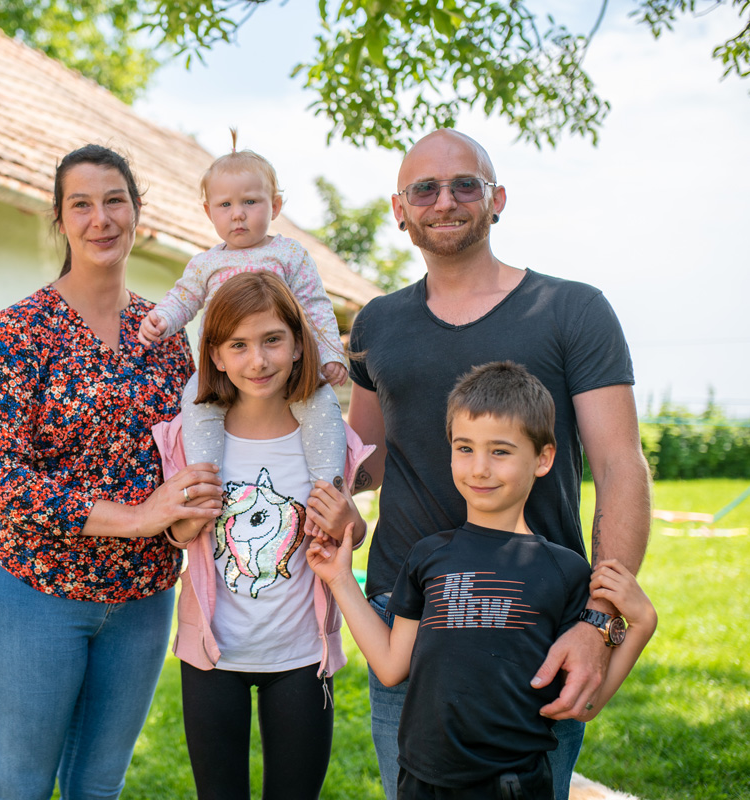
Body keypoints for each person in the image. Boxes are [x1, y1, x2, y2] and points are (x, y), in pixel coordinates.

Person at [346, 129, 652, 800]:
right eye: (423, 188)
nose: (444, 201)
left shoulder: (571, 310)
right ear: (399, 209)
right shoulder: (375, 324)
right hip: (409, 617)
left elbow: (618, 463)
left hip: (536, 625)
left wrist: (598, 621)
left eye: (465, 185)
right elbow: (362, 461)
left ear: (497, 199)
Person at [0, 144, 224, 800]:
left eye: (114, 200)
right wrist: (138, 516)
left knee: (98, 787)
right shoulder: (19, 330)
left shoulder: (165, 336)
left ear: (137, 212)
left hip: (141, 598)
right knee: (18, 785)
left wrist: (182, 515)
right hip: (33, 589)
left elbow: (188, 455)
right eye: (80, 204)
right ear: (59, 221)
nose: (100, 218)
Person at [308, 362, 657, 799]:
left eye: (501, 451)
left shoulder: (565, 571)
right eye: (465, 448)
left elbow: (584, 704)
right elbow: (391, 665)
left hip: (514, 786)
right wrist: (341, 579)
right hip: (421, 781)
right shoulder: (428, 557)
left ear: (543, 458)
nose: (479, 469)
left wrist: (641, 623)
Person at [151, 271, 376, 800]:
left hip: (300, 655)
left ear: (299, 345)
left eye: (273, 340)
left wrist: (351, 525)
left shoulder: (326, 438)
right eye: (239, 345)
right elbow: (179, 535)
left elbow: (352, 531)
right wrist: (187, 515)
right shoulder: (189, 435)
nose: (258, 360)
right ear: (217, 354)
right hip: (212, 657)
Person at [139, 130, 348, 487]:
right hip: (222, 370)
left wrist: (330, 352)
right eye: (225, 205)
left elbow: (315, 305)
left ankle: (327, 487)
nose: (238, 215)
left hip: (287, 367)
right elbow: (184, 297)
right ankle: (206, 483)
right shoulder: (206, 263)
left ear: (275, 206)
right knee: (196, 401)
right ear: (208, 212)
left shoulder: (289, 254)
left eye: (250, 202)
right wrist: (163, 318)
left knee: (321, 402)